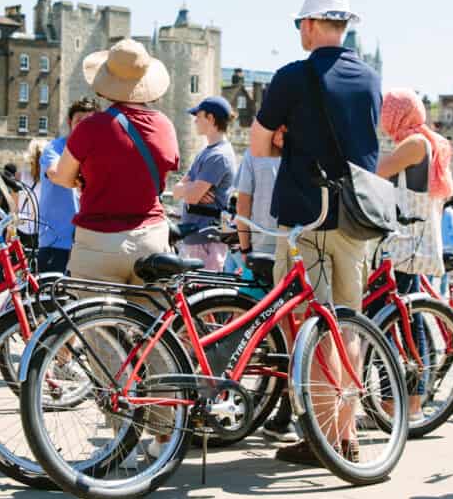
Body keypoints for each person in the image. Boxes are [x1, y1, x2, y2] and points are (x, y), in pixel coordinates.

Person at [249, 0, 380, 467]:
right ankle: (347, 434)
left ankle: (325, 439)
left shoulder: (292, 78)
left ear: (307, 26)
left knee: (314, 325)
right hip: (357, 219)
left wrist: (288, 141)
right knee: (349, 327)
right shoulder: (370, 78)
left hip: (310, 217)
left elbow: (259, 147)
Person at [51, 38, 180, 460]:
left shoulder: (89, 128)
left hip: (97, 242)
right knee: (156, 336)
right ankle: (164, 433)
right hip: (151, 238)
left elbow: (65, 177)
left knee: (98, 331)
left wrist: (74, 175)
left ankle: (122, 429)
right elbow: (165, 169)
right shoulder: (163, 126)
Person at [375, 87, 453, 419]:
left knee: (390, 318)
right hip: (414, 238)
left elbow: (376, 171)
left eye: (385, 111)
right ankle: (411, 403)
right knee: (410, 318)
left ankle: (401, 402)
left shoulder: (414, 143)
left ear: (398, 113)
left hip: (407, 240)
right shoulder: (425, 140)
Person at [230, 124, 293, 443]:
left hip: (260, 250)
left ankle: (241, 397)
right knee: (290, 332)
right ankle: (283, 411)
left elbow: (243, 205)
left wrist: (244, 248)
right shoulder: (299, 156)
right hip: (292, 251)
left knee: (251, 329)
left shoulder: (254, 157)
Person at [172, 96, 237, 271]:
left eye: (198, 116)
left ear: (211, 118)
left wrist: (189, 190)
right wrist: (190, 189)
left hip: (206, 242)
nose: (195, 121)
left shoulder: (218, 156)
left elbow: (191, 197)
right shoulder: (207, 152)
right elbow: (176, 190)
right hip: (196, 238)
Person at [35, 98, 97, 274]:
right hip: (57, 241)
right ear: (70, 123)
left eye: (89, 122)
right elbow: (54, 173)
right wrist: (80, 180)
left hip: (90, 243)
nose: (84, 127)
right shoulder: (55, 148)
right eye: (79, 122)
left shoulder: (97, 153)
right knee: (50, 299)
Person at [18, 140, 48, 252]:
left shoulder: (20, 175)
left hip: (21, 227)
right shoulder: (49, 180)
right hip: (40, 230)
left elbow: (14, 208)